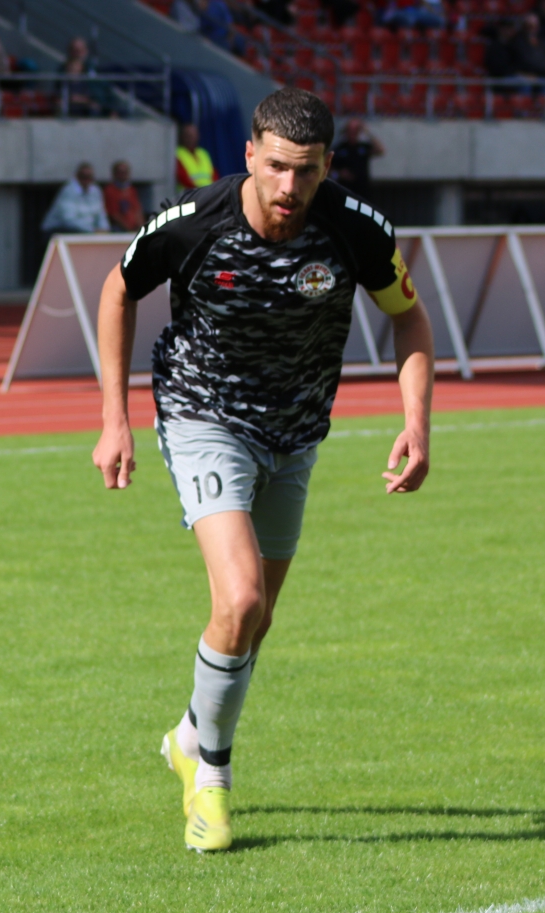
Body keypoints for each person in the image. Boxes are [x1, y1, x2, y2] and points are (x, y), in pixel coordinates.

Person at [90, 87, 433, 853]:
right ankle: (211, 776)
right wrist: (115, 418)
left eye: (305, 171)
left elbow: (408, 317)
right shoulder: (194, 222)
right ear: (249, 154)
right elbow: (118, 290)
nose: (288, 185)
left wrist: (417, 422)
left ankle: (189, 734)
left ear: (327, 166)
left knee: (257, 619)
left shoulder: (357, 228)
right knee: (240, 595)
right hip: (204, 418)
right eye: (275, 166)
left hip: (298, 434)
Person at [40, 160, 109, 234]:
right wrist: (91, 230)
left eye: (89, 177)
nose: (86, 180)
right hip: (58, 229)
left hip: (87, 230)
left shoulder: (96, 191)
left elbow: (101, 215)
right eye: (83, 177)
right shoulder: (68, 191)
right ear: (77, 176)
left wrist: (104, 229)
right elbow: (68, 220)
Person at [328, 118, 382, 195]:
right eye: (350, 131)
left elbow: (380, 150)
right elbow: (328, 168)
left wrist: (367, 132)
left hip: (362, 189)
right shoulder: (339, 149)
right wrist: (339, 174)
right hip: (345, 189)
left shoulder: (363, 147)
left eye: (355, 131)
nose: (352, 134)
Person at [101, 159, 144, 231]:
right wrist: (128, 229)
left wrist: (141, 227)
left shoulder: (132, 190)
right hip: (119, 228)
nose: (123, 175)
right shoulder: (109, 190)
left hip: (134, 227)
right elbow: (114, 214)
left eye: (125, 172)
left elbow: (137, 210)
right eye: (120, 173)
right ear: (115, 174)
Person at [174, 121, 217, 189]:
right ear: (182, 137)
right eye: (188, 135)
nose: (191, 138)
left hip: (208, 193)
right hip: (189, 194)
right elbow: (182, 177)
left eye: (193, 135)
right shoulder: (178, 154)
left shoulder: (203, 153)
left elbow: (214, 175)